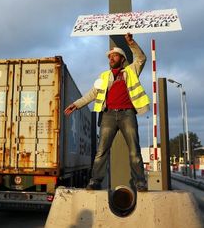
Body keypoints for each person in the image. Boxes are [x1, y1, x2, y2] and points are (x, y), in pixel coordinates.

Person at [64, 33, 150, 192]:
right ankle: (95, 181)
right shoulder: (103, 76)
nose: (111, 58)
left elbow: (141, 58)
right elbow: (92, 93)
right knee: (101, 151)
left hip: (127, 114)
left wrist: (131, 43)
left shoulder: (131, 71)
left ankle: (140, 182)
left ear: (122, 59)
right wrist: (76, 104)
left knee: (134, 149)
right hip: (108, 115)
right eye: (109, 56)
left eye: (114, 56)